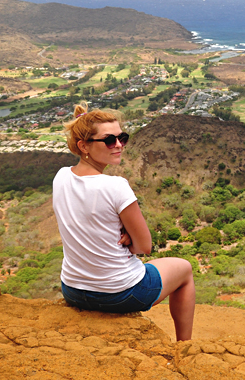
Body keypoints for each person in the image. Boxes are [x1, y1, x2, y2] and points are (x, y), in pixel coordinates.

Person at [52, 102, 195, 341]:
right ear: (83, 145)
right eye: (109, 140)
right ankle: (185, 346)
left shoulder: (61, 176)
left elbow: (85, 220)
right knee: (184, 269)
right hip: (120, 293)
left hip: (73, 290)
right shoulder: (115, 186)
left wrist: (120, 230)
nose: (118, 145)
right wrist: (127, 234)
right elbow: (144, 247)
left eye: (122, 138)